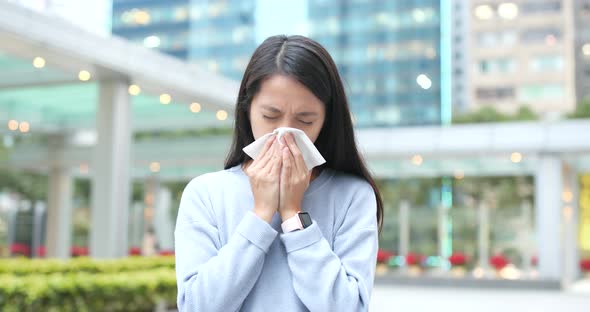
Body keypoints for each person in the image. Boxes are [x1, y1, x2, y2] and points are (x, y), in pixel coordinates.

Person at [175, 35, 384, 312]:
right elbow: (198, 306)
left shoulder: (352, 195)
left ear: (326, 120)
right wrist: (260, 215)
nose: (284, 133)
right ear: (247, 110)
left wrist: (293, 215)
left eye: (305, 120)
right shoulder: (206, 193)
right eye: (270, 116)